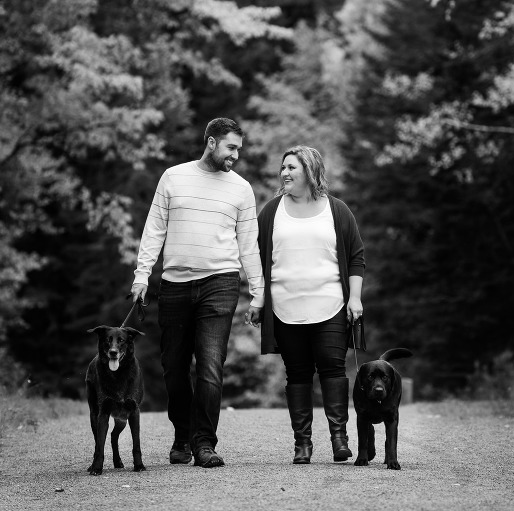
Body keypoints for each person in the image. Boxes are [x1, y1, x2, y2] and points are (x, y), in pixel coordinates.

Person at [130, 117, 264, 468]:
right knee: (174, 367)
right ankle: (182, 436)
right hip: (174, 285)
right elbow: (154, 229)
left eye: (239, 149)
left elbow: (249, 246)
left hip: (220, 282)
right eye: (231, 147)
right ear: (211, 142)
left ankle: (204, 443)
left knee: (209, 365)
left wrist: (258, 292)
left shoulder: (241, 189)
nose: (235, 155)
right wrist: (142, 276)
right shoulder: (174, 177)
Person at [255, 145, 364, 464]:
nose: (285, 173)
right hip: (285, 309)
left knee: (332, 369)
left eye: (292, 167)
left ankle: (339, 439)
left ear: (310, 171)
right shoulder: (272, 211)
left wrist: (355, 298)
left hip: (330, 306)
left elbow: (356, 256)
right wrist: (258, 297)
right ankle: (302, 444)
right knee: (298, 374)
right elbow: (256, 258)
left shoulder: (337, 210)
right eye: (283, 167)